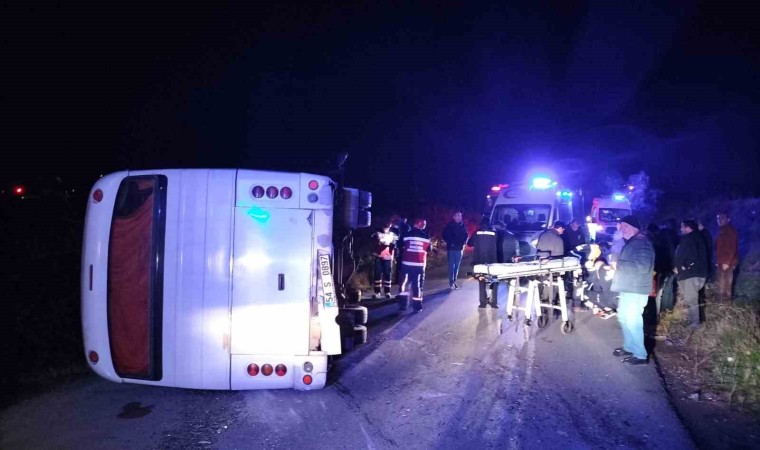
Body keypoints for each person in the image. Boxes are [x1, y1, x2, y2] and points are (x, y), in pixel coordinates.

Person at [610, 215, 655, 365]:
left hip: (636, 289)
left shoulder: (643, 243)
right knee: (624, 318)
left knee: (633, 320)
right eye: (620, 226)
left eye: (624, 226)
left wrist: (618, 265)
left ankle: (640, 355)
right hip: (628, 287)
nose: (621, 229)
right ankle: (630, 347)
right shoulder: (632, 242)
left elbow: (643, 267)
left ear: (633, 227)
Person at [674, 219, 708, 329]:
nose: (681, 229)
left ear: (687, 228)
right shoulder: (699, 238)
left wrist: (682, 266)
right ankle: (693, 320)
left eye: (682, 227)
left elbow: (687, 255)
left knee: (691, 298)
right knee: (691, 298)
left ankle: (695, 322)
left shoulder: (690, 239)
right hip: (695, 273)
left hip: (691, 274)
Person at [398, 218, 431, 312]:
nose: (425, 226)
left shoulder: (406, 234)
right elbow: (429, 249)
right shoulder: (426, 237)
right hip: (419, 265)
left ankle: (403, 305)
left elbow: (400, 245)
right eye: (424, 224)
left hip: (406, 264)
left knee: (404, 284)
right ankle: (417, 307)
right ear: (420, 224)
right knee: (417, 285)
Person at [468, 218, 499, 308]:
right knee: (493, 281)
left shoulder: (477, 232)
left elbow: (469, 243)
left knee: (481, 280)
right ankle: (493, 303)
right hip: (492, 260)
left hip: (479, 260)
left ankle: (483, 303)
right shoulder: (494, 233)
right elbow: (498, 244)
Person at [715, 211, 739, 303]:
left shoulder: (730, 231)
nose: (719, 220)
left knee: (725, 283)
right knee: (721, 282)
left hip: (727, 262)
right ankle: (721, 303)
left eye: (722, 218)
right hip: (721, 261)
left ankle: (725, 304)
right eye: (718, 218)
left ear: (728, 219)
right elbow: (719, 248)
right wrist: (717, 261)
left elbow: (732, 247)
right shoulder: (721, 231)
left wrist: (727, 262)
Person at [442, 210, 469, 290]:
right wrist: (450, 243)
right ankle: (451, 282)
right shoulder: (449, 226)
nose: (459, 217)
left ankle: (454, 281)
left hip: (459, 249)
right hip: (451, 248)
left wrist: (464, 242)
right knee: (451, 266)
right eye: (457, 216)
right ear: (454, 217)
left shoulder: (463, 226)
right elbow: (444, 235)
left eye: (460, 216)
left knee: (457, 266)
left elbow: (466, 235)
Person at [370, 222, 395, 299]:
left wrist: (393, 256)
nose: (386, 228)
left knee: (387, 275)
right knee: (377, 275)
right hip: (379, 257)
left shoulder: (392, 235)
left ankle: (387, 292)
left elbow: (394, 246)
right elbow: (373, 243)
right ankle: (377, 292)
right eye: (385, 227)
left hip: (388, 258)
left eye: (387, 227)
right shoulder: (377, 234)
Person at [391, 216, 411, 289]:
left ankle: (398, 279)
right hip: (402, 247)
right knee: (402, 264)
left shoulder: (401, 226)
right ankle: (400, 279)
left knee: (400, 264)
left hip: (401, 247)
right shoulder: (405, 226)